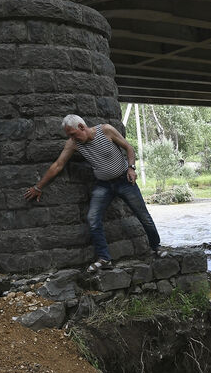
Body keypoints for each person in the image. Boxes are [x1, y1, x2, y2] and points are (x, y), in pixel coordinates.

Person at [24, 114, 166, 271]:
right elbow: (58, 165)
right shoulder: (73, 143)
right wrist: (38, 187)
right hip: (103, 185)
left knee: (143, 216)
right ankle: (104, 258)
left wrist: (131, 168)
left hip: (125, 181)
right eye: (69, 135)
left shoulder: (106, 131)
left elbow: (128, 148)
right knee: (92, 218)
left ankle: (156, 247)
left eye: (73, 133)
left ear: (82, 127)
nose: (72, 138)